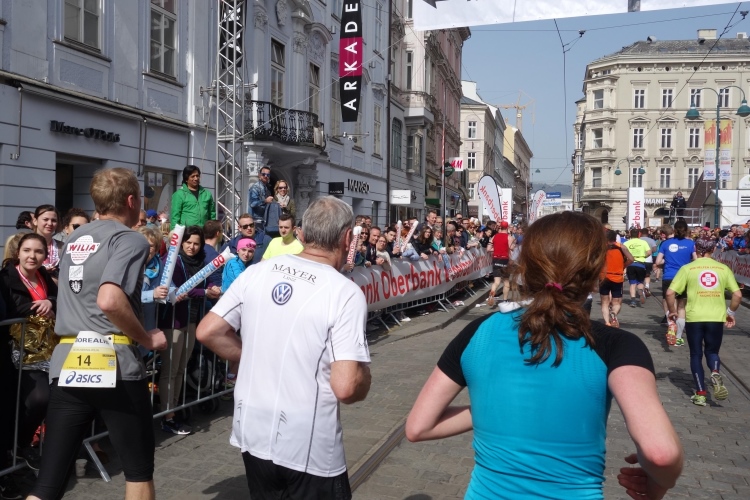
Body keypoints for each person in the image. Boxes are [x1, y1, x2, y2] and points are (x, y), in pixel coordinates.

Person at [405, 211, 683, 499]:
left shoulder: (479, 331)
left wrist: (492, 411)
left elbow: (418, 427)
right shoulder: (617, 345)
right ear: (596, 272)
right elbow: (661, 454)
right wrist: (656, 486)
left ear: (525, 264)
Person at [196, 196, 371, 499]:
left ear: (302, 233)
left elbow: (208, 330)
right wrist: (364, 376)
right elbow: (346, 387)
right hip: (308, 443)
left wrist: (250, 355)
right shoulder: (345, 292)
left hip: (253, 428)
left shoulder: (257, 272)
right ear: (347, 238)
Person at [29, 167, 167, 500]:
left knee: (47, 485)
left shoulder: (74, 239)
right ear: (132, 201)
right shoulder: (130, 239)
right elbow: (109, 299)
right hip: (115, 364)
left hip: (68, 363)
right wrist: (148, 339)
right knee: (138, 473)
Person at [0, 233, 58, 472]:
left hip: (46, 350)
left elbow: (59, 298)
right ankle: (18, 445)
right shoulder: (6, 278)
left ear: (45, 255)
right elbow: (10, 310)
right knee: (38, 398)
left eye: (38, 251)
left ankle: (22, 445)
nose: (32, 256)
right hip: (17, 352)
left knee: (52, 397)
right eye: (27, 250)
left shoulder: (44, 276)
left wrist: (51, 302)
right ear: (18, 253)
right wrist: (38, 309)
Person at [157, 225, 220, 435]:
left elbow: (206, 280)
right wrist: (204, 292)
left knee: (180, 368)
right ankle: (167, 416)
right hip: (172, 321)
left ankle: (173, 410)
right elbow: (177, 289)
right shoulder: (172, 261)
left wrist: (211, 287)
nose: (192, 247)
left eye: (196, 243)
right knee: (170, 370)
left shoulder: (200, 261)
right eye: (188, 242)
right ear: (181, 243)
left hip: (191, 319)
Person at [666, 237, 741, 406]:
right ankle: (714, 370)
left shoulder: (688, 268)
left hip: (695, 317)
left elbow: (670, 293)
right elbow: (737, 295)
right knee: (712, 352)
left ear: (696, 249)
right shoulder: (723, 268)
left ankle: (700, 393)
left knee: (696, 354)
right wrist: (730, 313)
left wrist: (672, 311)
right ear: (713, 249)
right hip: (716, 317)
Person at [655, 220, 696, 340]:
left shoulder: (666, 243)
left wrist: (667, 261)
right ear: (686, 230)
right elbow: (695, 260)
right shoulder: (690, 243)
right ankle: (678, 337)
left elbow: (658, 261)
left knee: (669, 303)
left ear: (674, 230)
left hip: (669, 276)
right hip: (684, 277)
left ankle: (671, 325)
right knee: (681, 306)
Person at [600, 230, 634, 328]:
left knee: (604, 302)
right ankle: (614, 313)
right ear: (615, 238)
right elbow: (631, 259)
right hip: (617, 277)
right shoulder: (621, 247)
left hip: (603, 276)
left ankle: (607, 322)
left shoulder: (601, 248)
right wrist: (623, 265)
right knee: (617, 302)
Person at [170, 165, 216, 230]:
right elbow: (175, 217)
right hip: (187, 233)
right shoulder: (179, 194)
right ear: (186, 179)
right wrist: (174, 233)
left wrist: (213, 230)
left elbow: (212, 215)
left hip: (204, 232)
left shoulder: (207, 194)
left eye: (197, 176)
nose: (196, 178)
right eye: (193, 176)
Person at [32, 205, 63, 282]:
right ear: (35, 221)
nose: (50, 223)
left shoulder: (63, 246)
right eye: (45, 219)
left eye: (54, 220)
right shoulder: (24, 244)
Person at [488, 221, 515, 306]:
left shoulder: (494, 236)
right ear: (507, 228)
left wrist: (496, 249)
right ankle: (505, 300)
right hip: (505, 260)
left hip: (496, 259)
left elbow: (488, 249)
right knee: (506, 281)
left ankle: (491, 294)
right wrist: (514, 244)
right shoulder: (509, 237)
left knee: (496, 281)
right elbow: (511, 248)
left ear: (500, 227)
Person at [623, 228, 652, 308]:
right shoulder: (643, 242)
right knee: (640, 282)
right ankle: (640, 290)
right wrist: (644, 256)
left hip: (630, 264)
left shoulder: (626, 243)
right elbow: (649, 252)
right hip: (640, 264)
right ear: (639, 234)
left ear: (630, 234)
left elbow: (623, 253)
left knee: (632, 284)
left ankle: (633, 301)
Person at [248, 166, 273, 233]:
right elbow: (252, 204)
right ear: (259, 175)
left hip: (264, 219)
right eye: (263, 174)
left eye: (268, 175)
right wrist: (265, 201)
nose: (266, 176)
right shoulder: (256, 187)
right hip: (256, 220)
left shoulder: (267, 187)